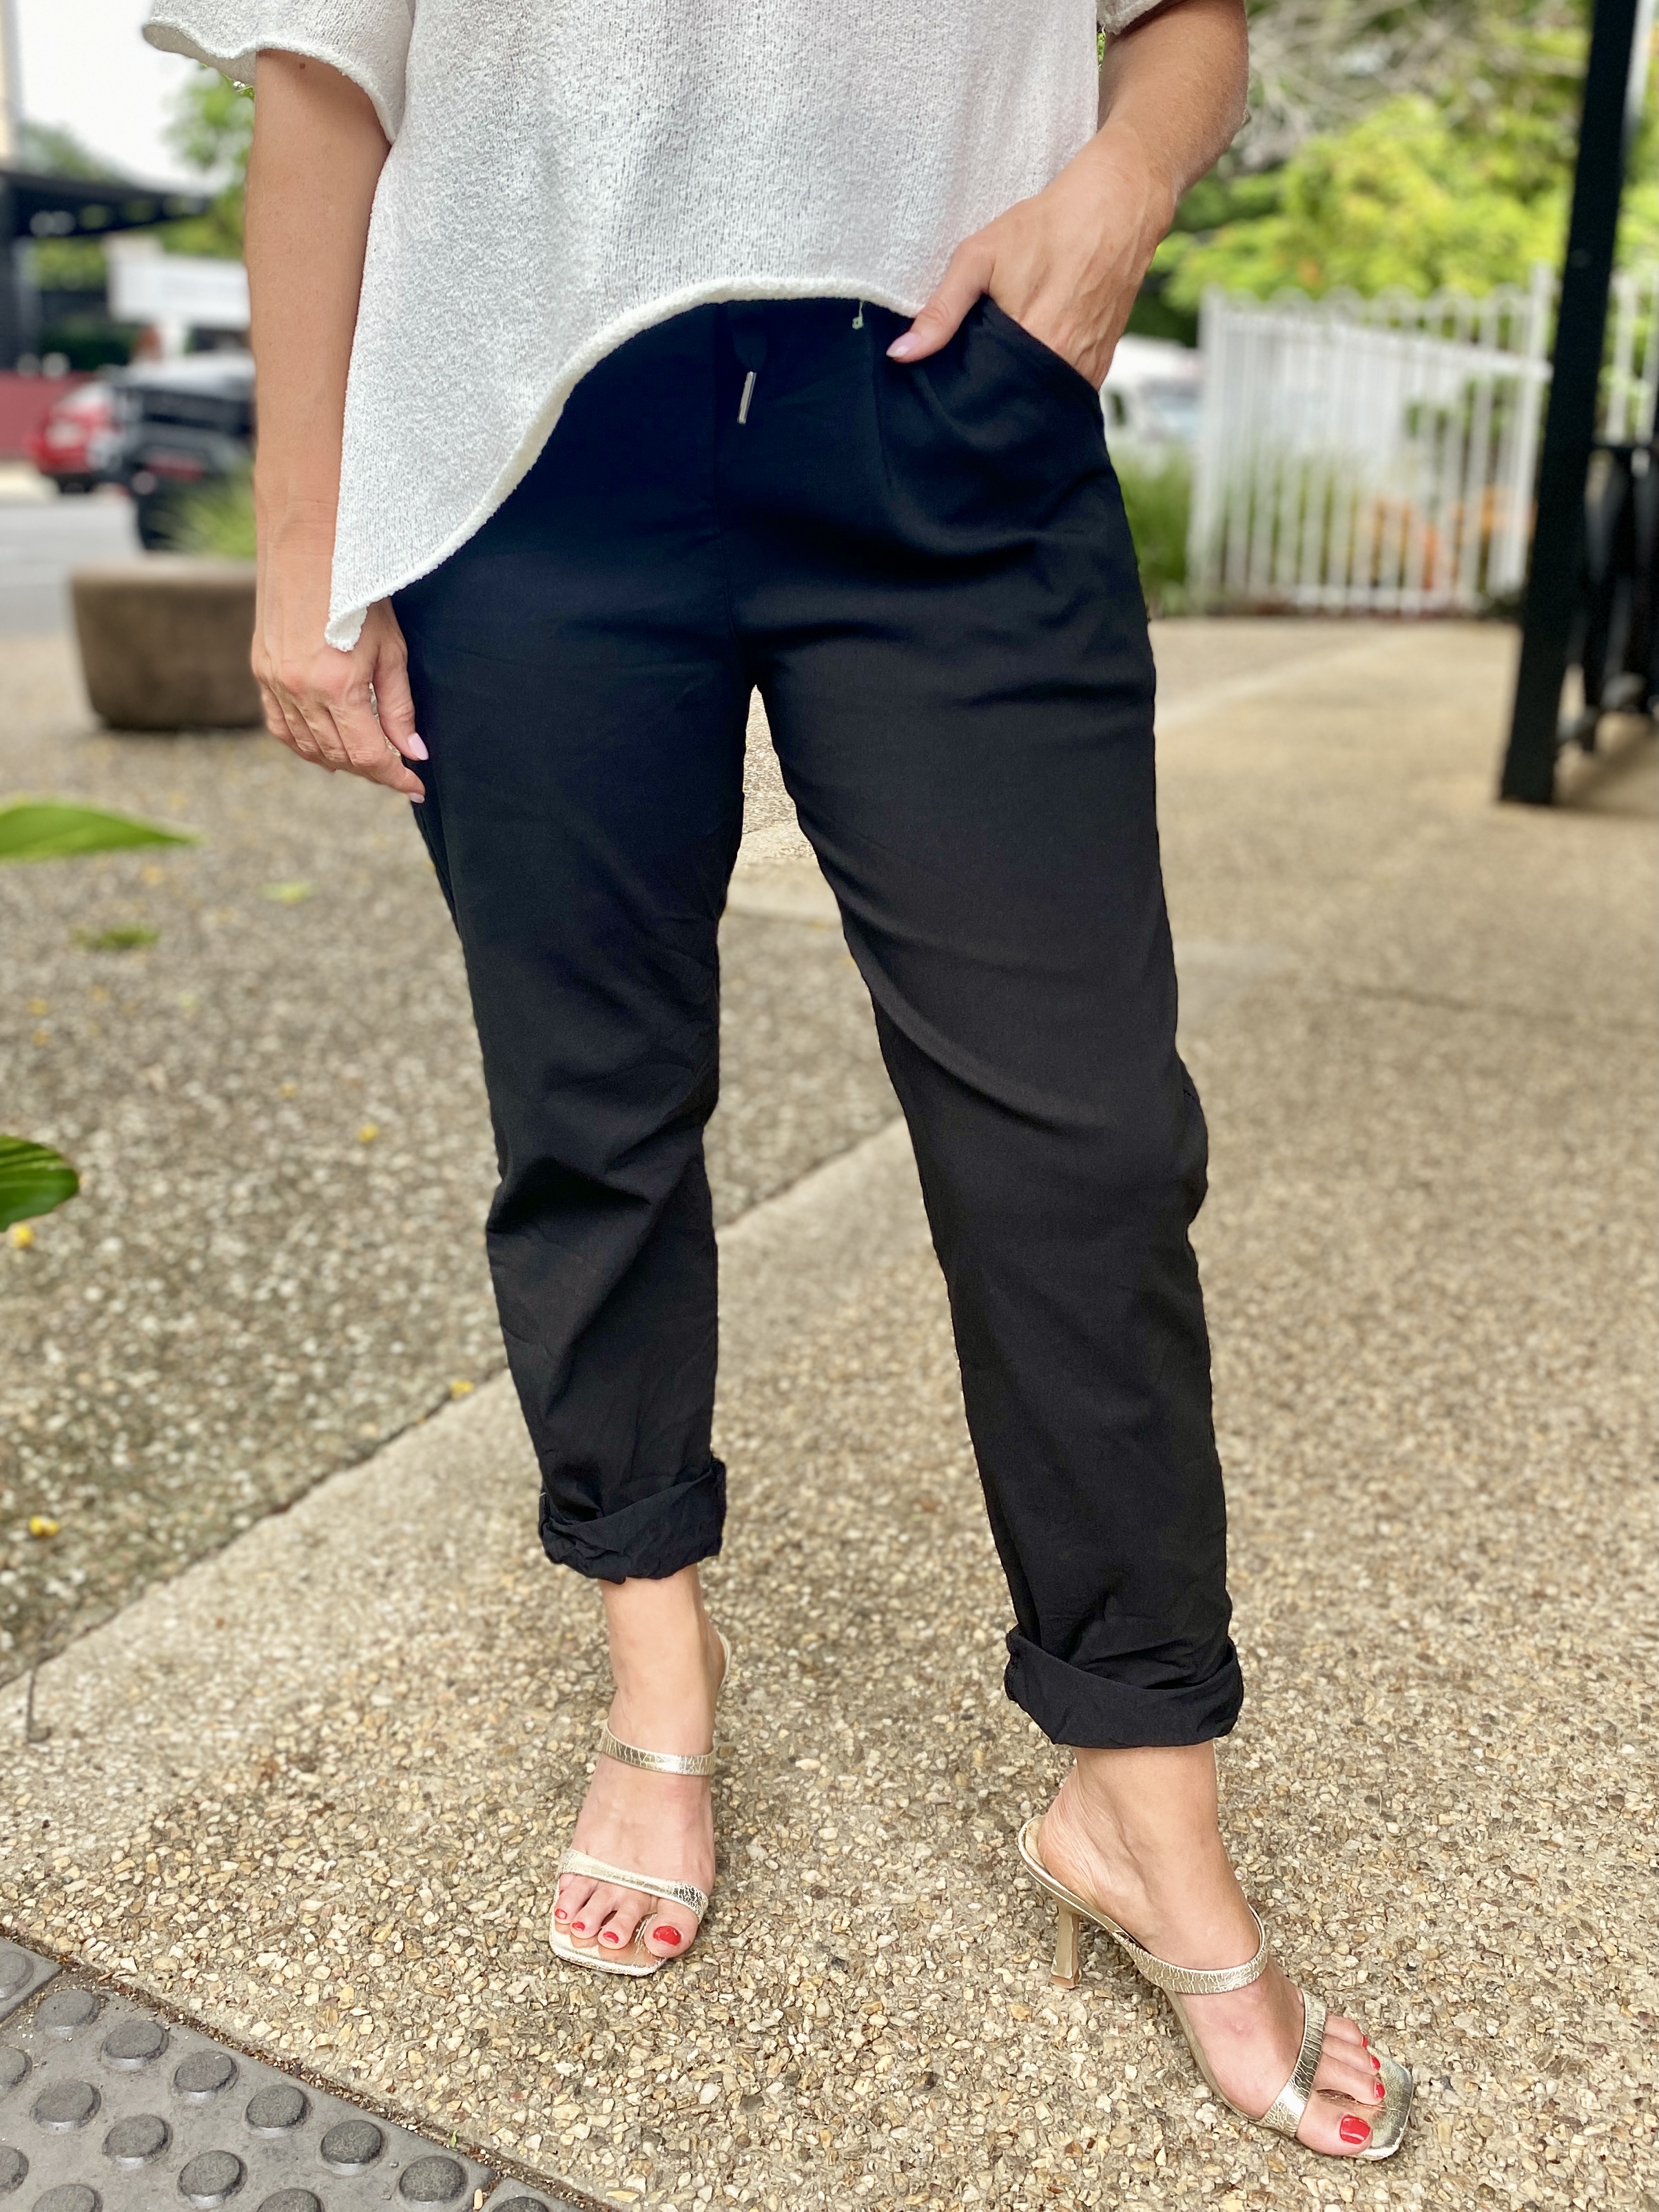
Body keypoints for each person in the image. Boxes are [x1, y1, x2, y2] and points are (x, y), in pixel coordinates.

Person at [145, 0, 1412, 2162]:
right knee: (592, 1104)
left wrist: (1120, 195)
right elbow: (322, 75)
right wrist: (302, 555)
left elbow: (1188, 18)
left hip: (946, 393)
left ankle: (1138, 1791)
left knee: (1087, 1134)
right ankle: (657, 1661)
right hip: (527, 440)